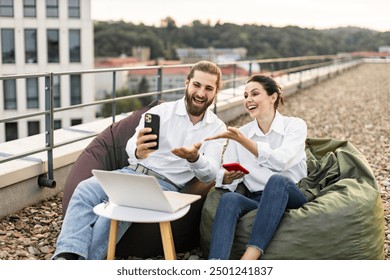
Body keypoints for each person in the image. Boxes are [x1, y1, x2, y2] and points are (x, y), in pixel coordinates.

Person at [52, 60, 227, 260]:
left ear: (216, 91)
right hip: (131, 172)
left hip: (163, 186)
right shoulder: (160, 112)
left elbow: (211, 173)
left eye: (208, 88)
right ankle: (66, 256)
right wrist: (138, 151)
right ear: (187, 83)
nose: (201, 93)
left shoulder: (217, 128)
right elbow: (130, 147)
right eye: (197, 85)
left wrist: (195, 158)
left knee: (115, 211)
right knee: (84, 188)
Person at [205, 74, 308, 260]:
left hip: (290, 194)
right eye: (245, 96)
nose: (248, 100)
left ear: (273, 97)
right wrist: (227, 177)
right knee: (229, 199)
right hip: (257, 198)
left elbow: (281, 162)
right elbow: (223, 173)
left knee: (277, 181)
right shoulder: (241, 133)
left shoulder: (295, 126)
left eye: (254, 94)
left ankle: (249, 258)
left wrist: (243, 141)